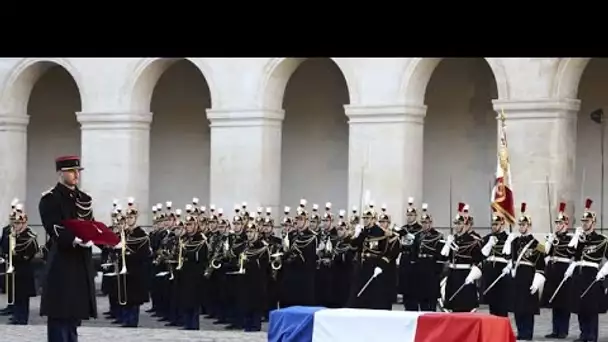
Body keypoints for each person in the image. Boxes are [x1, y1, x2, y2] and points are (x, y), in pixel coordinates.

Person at [38, 155, 98, 342]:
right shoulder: (50, 199)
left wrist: (97, 237)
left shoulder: (83, 198)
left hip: (81, 260)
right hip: (62, 261)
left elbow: (90, 222)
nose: (76, 175)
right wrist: (75, 238)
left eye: (77, 171)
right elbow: (54, 227)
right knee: (59, 313)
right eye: (71, 171)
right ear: (60, 173)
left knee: (74, 315)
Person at [504, 203, 546, 341]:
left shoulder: (537, 245)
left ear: (529, 226)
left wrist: (537, 281)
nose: (521, 227)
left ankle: (528, 333)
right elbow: (510, 258)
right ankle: (521, 331)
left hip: (529, 278)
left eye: (523, 225)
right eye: (520, 225)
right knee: (518, 307)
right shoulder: (514, 242)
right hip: (517, 278)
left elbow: (541, 265)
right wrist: (510, 265)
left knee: (527, 308)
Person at [569, 199, 607, 342]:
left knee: (591, 307)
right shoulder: (580, 238)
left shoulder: (602, 240)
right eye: (583, 221)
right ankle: (583, 333)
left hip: (592, 274)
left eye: (587, 221)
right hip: (579, 273)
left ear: (593, 223)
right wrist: (576, 239)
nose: (584, 223)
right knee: (580, 306)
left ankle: (592, 335)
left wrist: (603, 271)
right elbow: (571, 254)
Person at [2, 204, 39, 325]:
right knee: (16, 294)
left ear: (24, 224)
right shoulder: (12, 235)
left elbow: (29, 253)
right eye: (15, 223)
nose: (16, 226)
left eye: (18, 223)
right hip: (15, 269)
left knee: (23, 296)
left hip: (24, 269)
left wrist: (15, 256)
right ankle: (16, 315)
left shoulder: (29, 237)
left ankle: (22, 318)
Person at [541, 202, 574, 339]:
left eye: (560, 223)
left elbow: (572, 253)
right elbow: (543, 253)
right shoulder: (553, 237)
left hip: (564, 270)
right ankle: (555, 329)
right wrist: (548, 241)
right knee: (554, 301)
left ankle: (563, 330)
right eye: (557, 223)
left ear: (566, 224)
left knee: (564, 302)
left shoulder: (570, 238)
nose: (558, 226)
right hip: (553, 271)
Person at [480, 213, 511, 317]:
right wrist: (489, 244)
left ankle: (502, 330)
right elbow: (482, 255)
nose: (494, 226)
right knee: (492, 305)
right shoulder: (487, 238)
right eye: (493, 224)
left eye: (496, 224)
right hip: (490, 273)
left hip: (502, 273)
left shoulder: (508, 238)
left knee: (502, 306)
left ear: (502, 224)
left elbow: (511, 256)